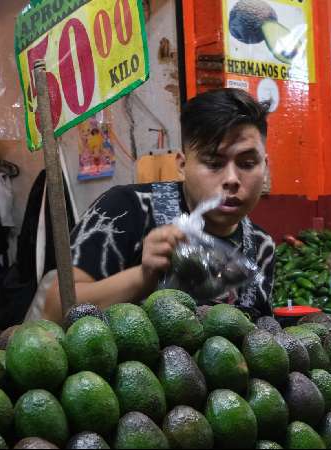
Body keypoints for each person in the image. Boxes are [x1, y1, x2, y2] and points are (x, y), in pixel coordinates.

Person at [43, 88, 276, 321]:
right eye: (214, 163)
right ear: (182, 165)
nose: (231, 180)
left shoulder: (260, 246)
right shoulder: (125, 210)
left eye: (246, 163)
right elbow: (54, 311)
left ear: (264, 167)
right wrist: (143, 277)